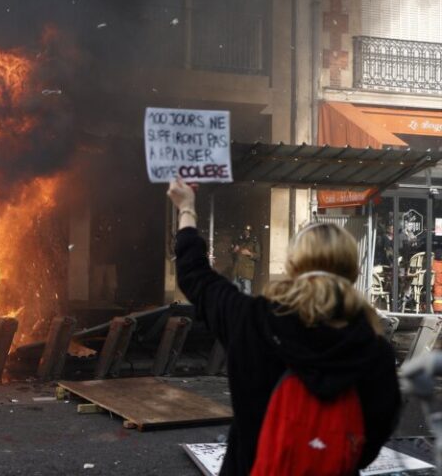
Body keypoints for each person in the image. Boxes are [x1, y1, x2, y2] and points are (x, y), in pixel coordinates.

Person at [167, 180, 400, 475]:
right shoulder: (374, 348)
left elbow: (195, 275)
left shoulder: (252, 320)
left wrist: (186, 208)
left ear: (292, 266)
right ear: (353, 270)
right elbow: (377, 430)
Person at [230, 225, 261, 294]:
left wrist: (249, 253)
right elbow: (233, 253)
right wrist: (234, 250)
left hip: (247, 270)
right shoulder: (240, 240)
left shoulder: (254, 242)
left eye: (248, 231)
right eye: (245, 230)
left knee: (246, 290)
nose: (246, 232)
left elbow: (258, 256)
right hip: (237, 269)